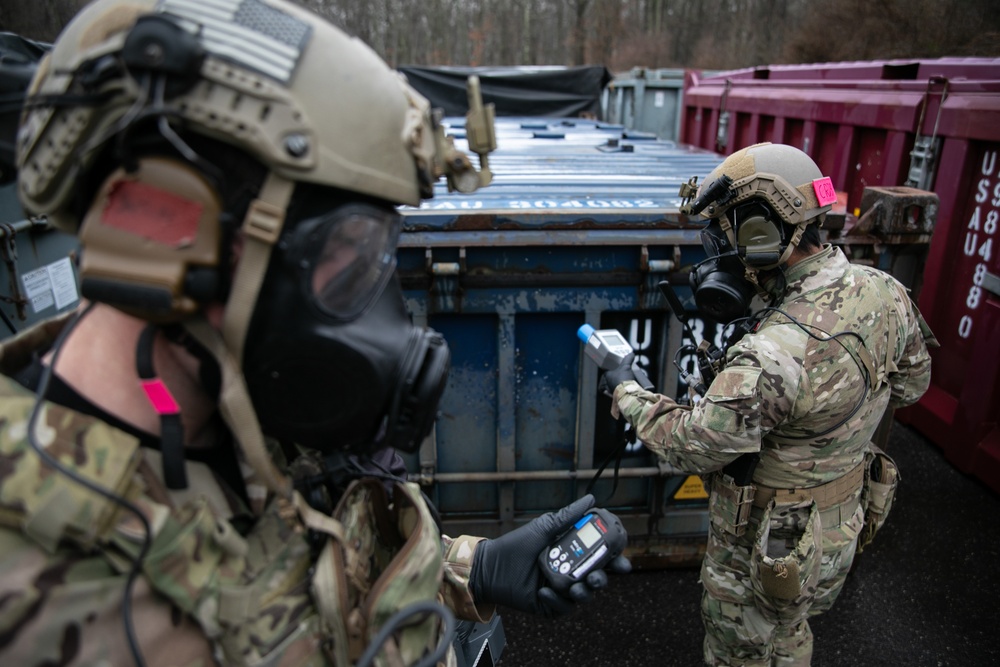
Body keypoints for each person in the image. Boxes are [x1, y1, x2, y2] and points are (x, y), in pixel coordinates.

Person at [0, 1, 628, 665]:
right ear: (177, 235)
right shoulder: (30, 576)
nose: (381, 312)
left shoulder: (247, 416)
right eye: (350, 253)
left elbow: (307, 568)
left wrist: (473, 568)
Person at [599, 142, 938, 666]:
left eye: (728, 232)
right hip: (833, 532)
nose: (721, 251)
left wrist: (628, 391)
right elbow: (913, 387)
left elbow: (693, 447)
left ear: (763, 232)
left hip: (765, 551)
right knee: (789, 632)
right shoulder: (885, 291)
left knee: (743, 649)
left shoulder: (772, 355)